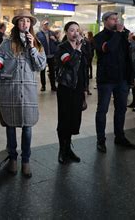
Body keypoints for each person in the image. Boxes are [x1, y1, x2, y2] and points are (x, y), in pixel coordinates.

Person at [0, 9, 46, 178]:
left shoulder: (37, 43)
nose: (25, 24)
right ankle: (12, 158)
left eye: (28, 21)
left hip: (28, 91)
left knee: (27, 127)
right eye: (22, 21)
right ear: (17, 24)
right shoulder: (6, 43)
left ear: (31, 24)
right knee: (10, 125)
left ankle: (26, 161)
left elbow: (40, 66)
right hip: (10, 90)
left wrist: (32, 47)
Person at [94, 12, 135, 153]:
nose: (116, 21)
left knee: (121, 109)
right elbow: (108, 48)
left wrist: (131, 76)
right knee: (102, 110)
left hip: (122, 79)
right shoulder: (98, 38)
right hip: (106, 80)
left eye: (117, 19)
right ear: (105, 21)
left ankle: (120, 136)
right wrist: (118, 33)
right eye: (113, 19)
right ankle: (101, 140)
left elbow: (128, 57)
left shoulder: (123, 35)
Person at [55, 21, 87, 164]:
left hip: (78, 88)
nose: (75, 33)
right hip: (66, 88)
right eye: (72, 30)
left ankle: (68, 148)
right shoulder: (62, 47)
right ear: (66, 32)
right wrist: (78, 48)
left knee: (74, 119)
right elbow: (70, 63)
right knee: (64, 119)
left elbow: (84, 68)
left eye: (77, 30)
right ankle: (62, 150)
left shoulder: (83, 47)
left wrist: (85, 89)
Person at [37, 20, 58, 91]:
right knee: (42, 71)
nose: (46, 26)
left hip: (51, 55)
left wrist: (55, 39)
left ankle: (53, 86)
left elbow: (58, 43)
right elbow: (36, 44)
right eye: (45, 24)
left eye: (47, 24)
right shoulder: (38, 34)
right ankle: (43, 86)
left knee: (52, 71)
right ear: (42, 25)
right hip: (43, 55)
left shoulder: (52, 33)